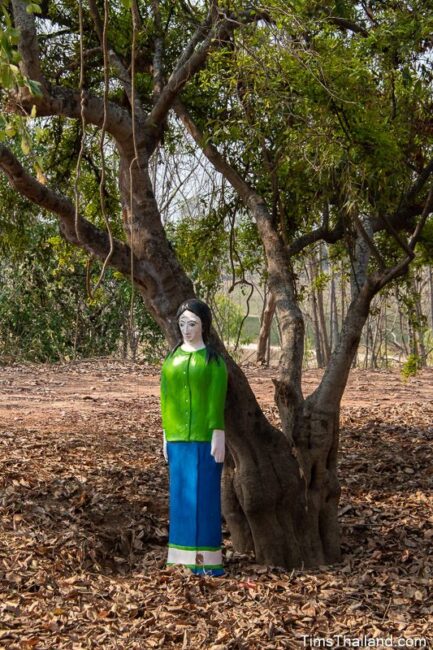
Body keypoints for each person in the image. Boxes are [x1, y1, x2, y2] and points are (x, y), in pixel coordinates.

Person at [160, 298, 228, 576]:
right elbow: (166, 397)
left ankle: (207, 561)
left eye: (192, 324)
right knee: (181, 497)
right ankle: (179, 557)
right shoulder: (172, 359)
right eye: (183, 324)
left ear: (203, 325)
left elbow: (216, 399)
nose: (187, 330)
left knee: (205, 495)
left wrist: (218, 432)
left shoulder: (213, 362)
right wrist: (165, 433)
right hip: (177, 438)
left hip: (204, 438)